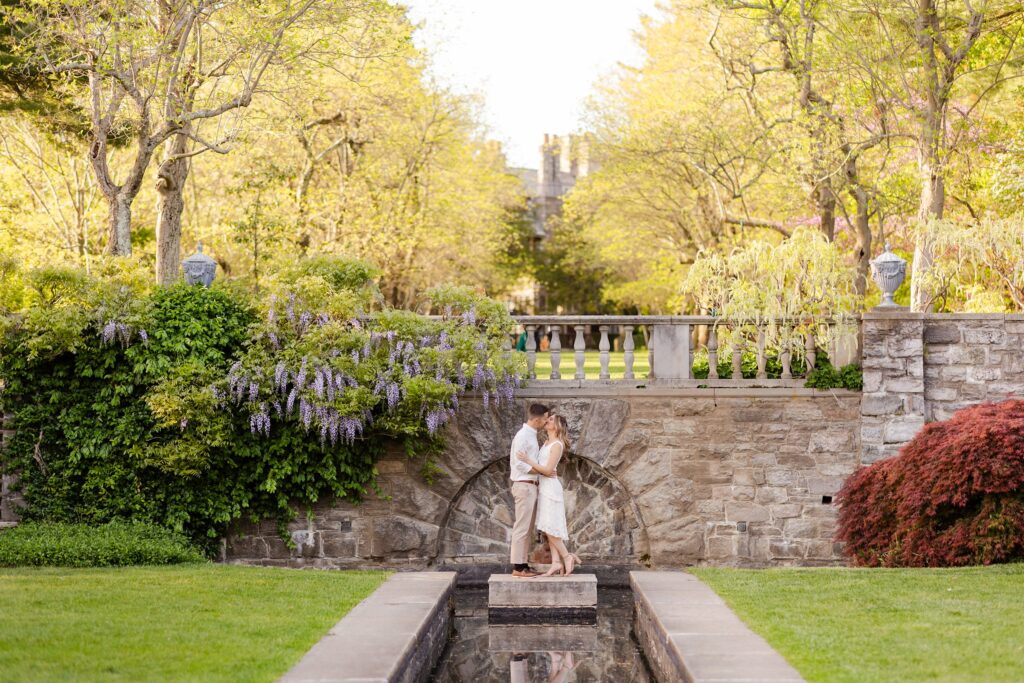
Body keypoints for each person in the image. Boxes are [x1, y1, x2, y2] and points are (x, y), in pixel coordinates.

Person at [517, 413, 581, 576]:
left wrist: (528, 460)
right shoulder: (546, 442)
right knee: (548, 527)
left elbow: (547, 470)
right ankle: (556, 563)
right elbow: (544, 470)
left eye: (551, 419)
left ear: (557, 425)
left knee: (550, 528)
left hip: (551, 488)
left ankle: (567, 557)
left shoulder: (557, 445)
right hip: (543, 487)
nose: (547, 420)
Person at [508, 403, 549, 577]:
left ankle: (523, 564)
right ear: (538, 419)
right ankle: (518, 567)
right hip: (524, 485)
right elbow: (519, 463)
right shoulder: (523, 436)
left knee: (527, 528)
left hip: (530, 486)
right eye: (546, 418)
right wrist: (540, 470)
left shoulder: (531, 435)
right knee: (522, 527)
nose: (547, 421)